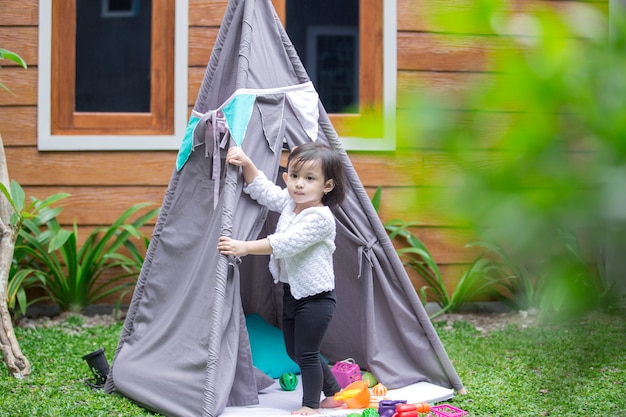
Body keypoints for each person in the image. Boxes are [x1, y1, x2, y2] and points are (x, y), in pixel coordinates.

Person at [218, 141, 348, 415]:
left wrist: (244, 247)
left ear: (327, 186)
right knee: (294, 352)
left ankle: (311, 405)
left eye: (310, 179)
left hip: (317, 299)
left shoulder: (321, 218)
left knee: (307, 353)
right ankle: (334, 392)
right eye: (296, 176)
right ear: (287, 177)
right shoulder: (292, 203)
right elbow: (265, 192)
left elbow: (286, 242)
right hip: (293, 294)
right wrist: (247, 163)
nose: (300, 184)